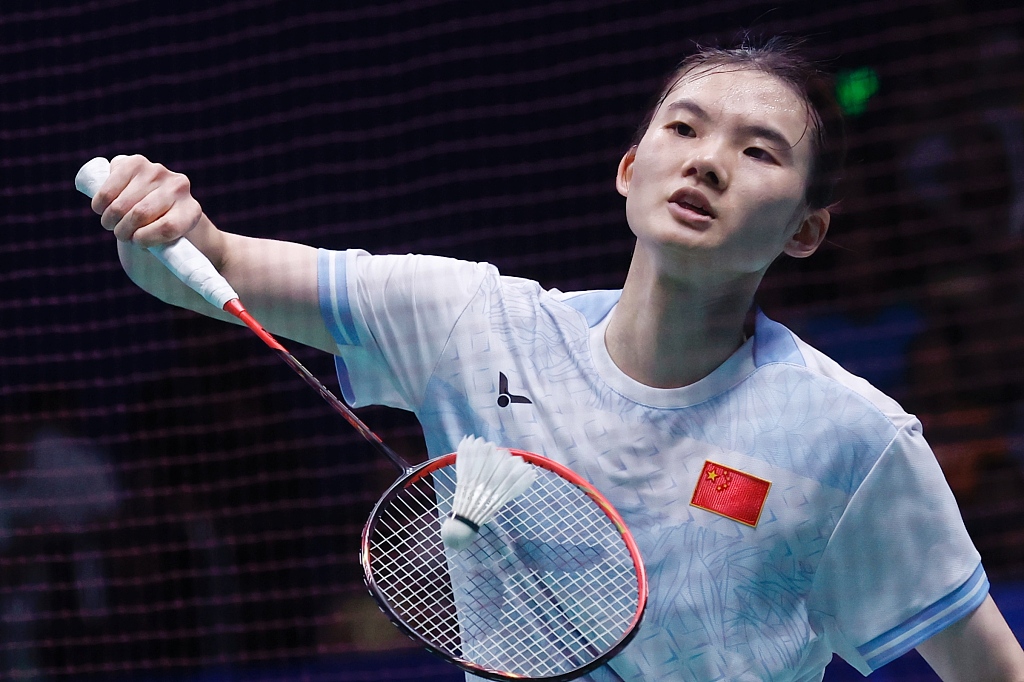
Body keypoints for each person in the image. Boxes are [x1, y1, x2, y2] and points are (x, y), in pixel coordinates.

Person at [88, 39, 1024, 681]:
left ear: (808, 231)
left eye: (760, 152)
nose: (707, 163)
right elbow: (205, 267)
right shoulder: (473, 324)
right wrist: (159, 219)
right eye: (684, 129)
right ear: (630, 167)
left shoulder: (849, 437)